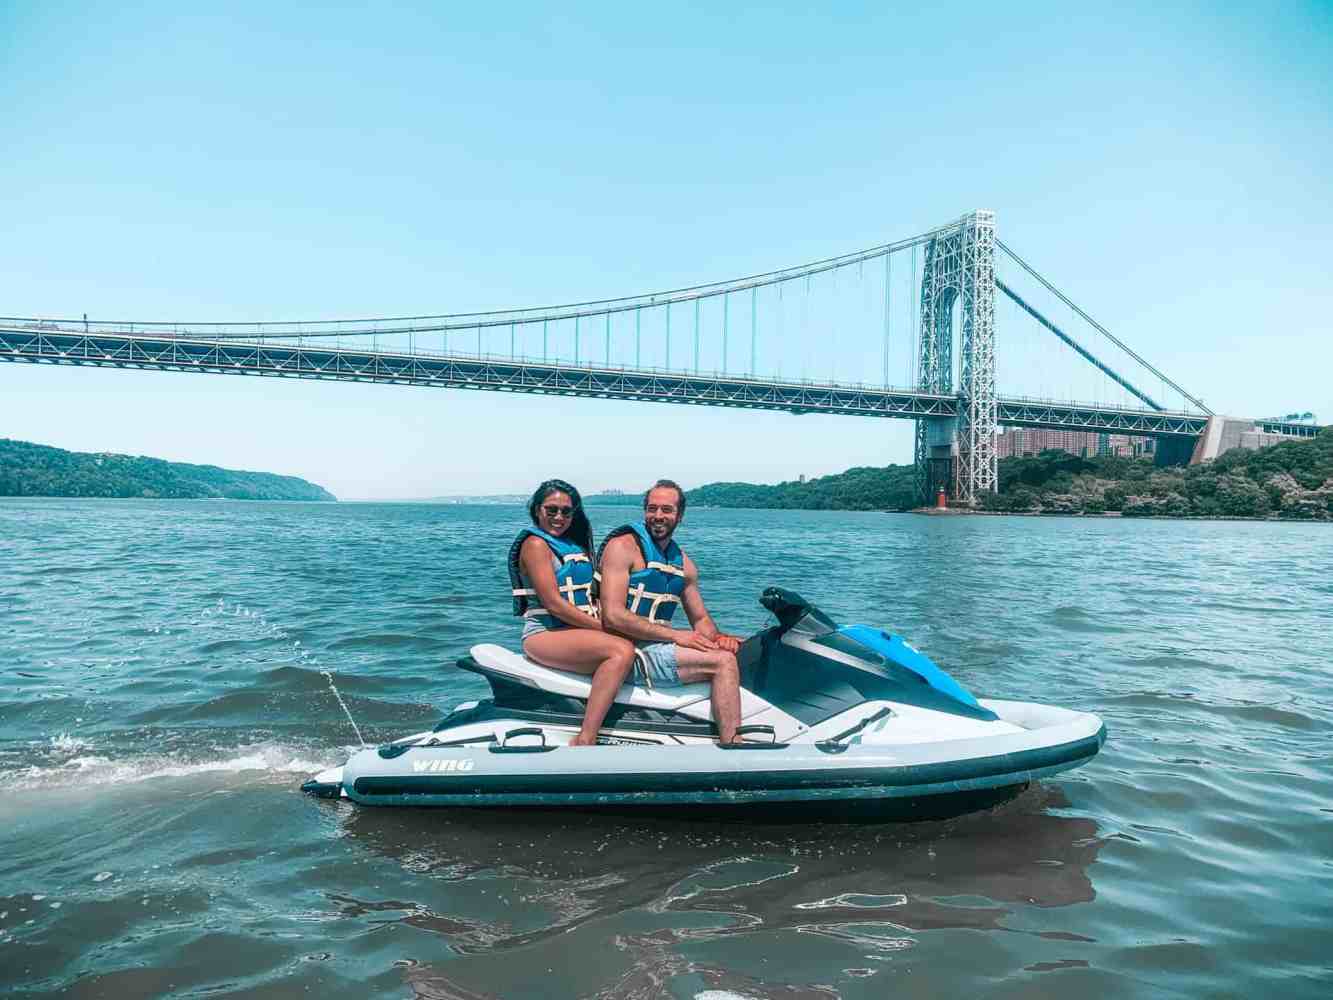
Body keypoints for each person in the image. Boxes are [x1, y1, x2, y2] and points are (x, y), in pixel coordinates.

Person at [596, 479, 746, 743]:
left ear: (680, 516)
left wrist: (725, 639)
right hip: (628, 652)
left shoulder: (683, 564)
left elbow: (700, 621)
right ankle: (733, 746)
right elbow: (613, 615)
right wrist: (676, 635)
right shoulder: (622, 548)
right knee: (723, 662)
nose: (658, 516)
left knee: (741, 651)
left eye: (666, 510)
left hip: (656, 647)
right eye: (652, 508)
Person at [508, 479, 635, 746]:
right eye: (551, 510)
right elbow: (553, 604)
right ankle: (586, 737)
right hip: (545, 633)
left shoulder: (573, 546)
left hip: (575, 632)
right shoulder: (535, 545)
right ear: (537, 509)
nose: (559, 517)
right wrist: (605, 628)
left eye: (566, 511)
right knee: (620, 650)